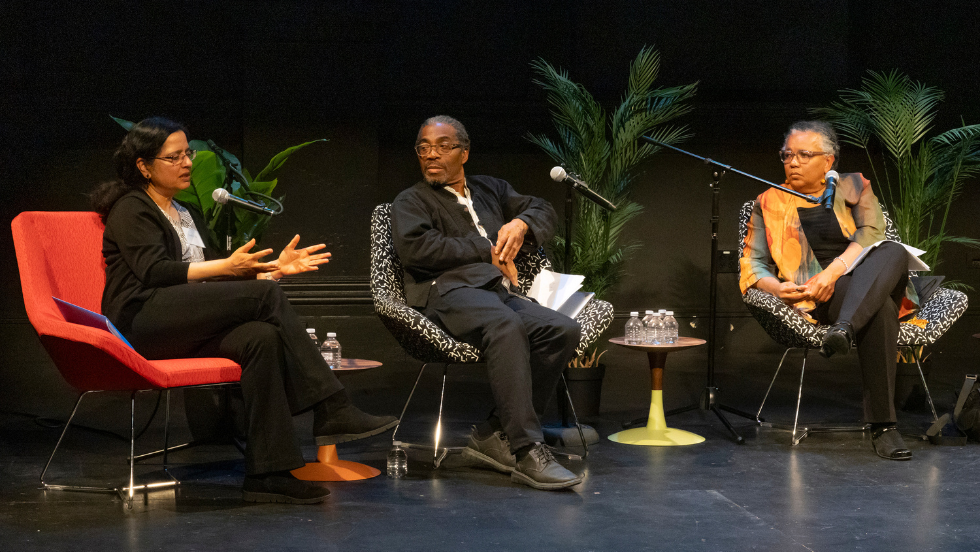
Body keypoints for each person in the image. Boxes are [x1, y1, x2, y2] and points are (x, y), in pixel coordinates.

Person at [92, 117, 398, 504]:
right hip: (141, 321)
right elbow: (154, 272)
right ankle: (332, 406)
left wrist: (272, 271)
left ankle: (268, 472)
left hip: (180, 321)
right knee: (262, 300)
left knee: (261, 337)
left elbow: (216, 281)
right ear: (143, 165)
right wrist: (231, 270)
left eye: (189, 153)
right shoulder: (131, 208)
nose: (186, 162)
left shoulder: (186, 213)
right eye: (174, 157)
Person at [391, 115, 583, 490]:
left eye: (443, 146)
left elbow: (543, 208)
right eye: (424, 147)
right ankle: (527, 450)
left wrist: (522, 223)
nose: (432, 154)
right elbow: (416, 249)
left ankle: (494, 434)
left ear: (464, 153)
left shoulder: (490, 189)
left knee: (561, 328)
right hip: (445, 292)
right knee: (504, 325)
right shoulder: (411, 200)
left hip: (495, 292)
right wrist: (486, 249)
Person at [739, 120, 919, 461]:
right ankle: (884, 427)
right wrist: (777, 287)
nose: (793, 161)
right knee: (879, 312)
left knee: (893, 250)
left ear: (829, 161)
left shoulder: (853, 186)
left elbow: (871, 234)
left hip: (869, 280)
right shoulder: (768, 201)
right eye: (787, 154)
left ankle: (844, 330)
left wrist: (833, 272)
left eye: (804, 154)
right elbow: (752, 265)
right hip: (819, 296)